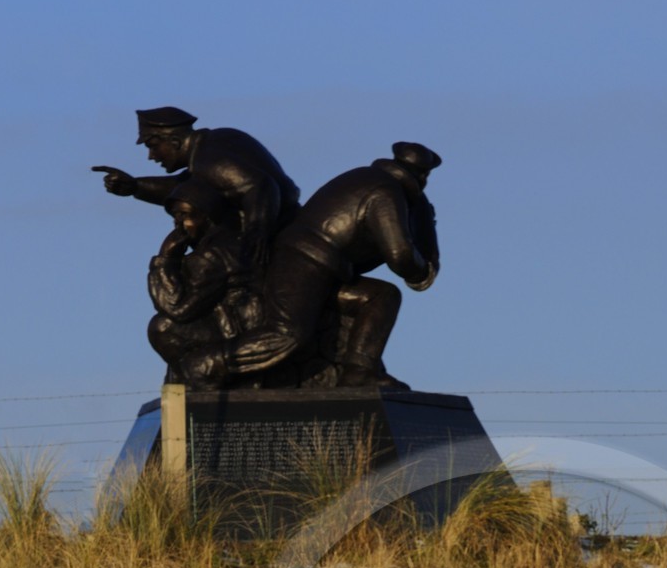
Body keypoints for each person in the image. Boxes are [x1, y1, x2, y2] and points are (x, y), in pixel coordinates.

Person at [208, 141, 441, 389]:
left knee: (381, 296)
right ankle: (208, 363)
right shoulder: (385, 192)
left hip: (324, 269)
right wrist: (423, 270)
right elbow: (400, 255)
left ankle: (359, 371)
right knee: (286, 334)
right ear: (423, 176)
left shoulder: (366, 177)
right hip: (304, 261)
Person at [93, 106, 300, 268]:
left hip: (282, 229)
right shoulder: (207, 151)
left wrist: (256, 236)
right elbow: (185, 187)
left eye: (153, 146)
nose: (151, 156)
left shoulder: (208, 160)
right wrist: (136, 186)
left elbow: (260, 187)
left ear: (174, 141)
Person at [146, 179, 263, 383]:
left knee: (162, 327)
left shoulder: (212, 255)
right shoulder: (232, 243)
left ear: (207, 215)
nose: (178, 225)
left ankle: (201, 385)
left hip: (238, 335)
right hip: (241, 328)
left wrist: (165, 259)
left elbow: (178, 308)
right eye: (175, 217)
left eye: (184, 215)